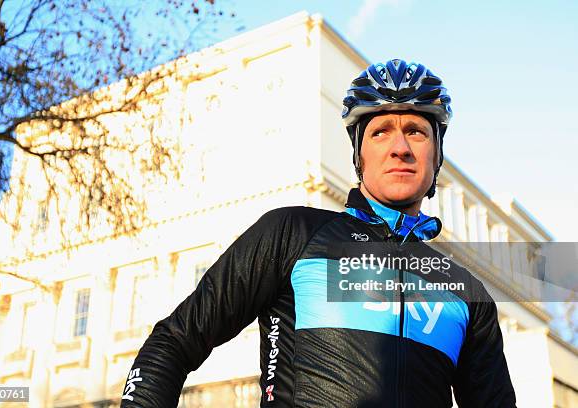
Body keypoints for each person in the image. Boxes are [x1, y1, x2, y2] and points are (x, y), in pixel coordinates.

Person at [120, 59, 516, 407]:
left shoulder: (467, 293)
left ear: (436, 154)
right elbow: (172, 343)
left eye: (416, 131)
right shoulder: (292, 234)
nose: (400, 148)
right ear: (359, 154)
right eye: (380, 132)